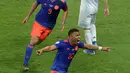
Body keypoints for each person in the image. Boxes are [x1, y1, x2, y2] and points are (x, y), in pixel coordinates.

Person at [36, 28, 110, 73]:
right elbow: (50, 48)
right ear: (70, 36)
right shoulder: (62, 43)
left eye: (79, 35)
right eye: (76, 35)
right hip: (56, 71)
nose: (79, 37)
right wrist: (42, 50)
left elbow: (88, 46)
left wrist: (102, 48)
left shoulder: (77, 44)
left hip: (64, 71)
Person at [22, 0, 68, 71]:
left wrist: (63, 22)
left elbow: (66, 10)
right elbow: (35, 4)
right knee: (34, 41)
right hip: (38, 23)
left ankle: (32, 46)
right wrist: (28, 16)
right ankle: (25, 64)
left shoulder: (61, 2)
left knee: (37, 42)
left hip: (49, 27)